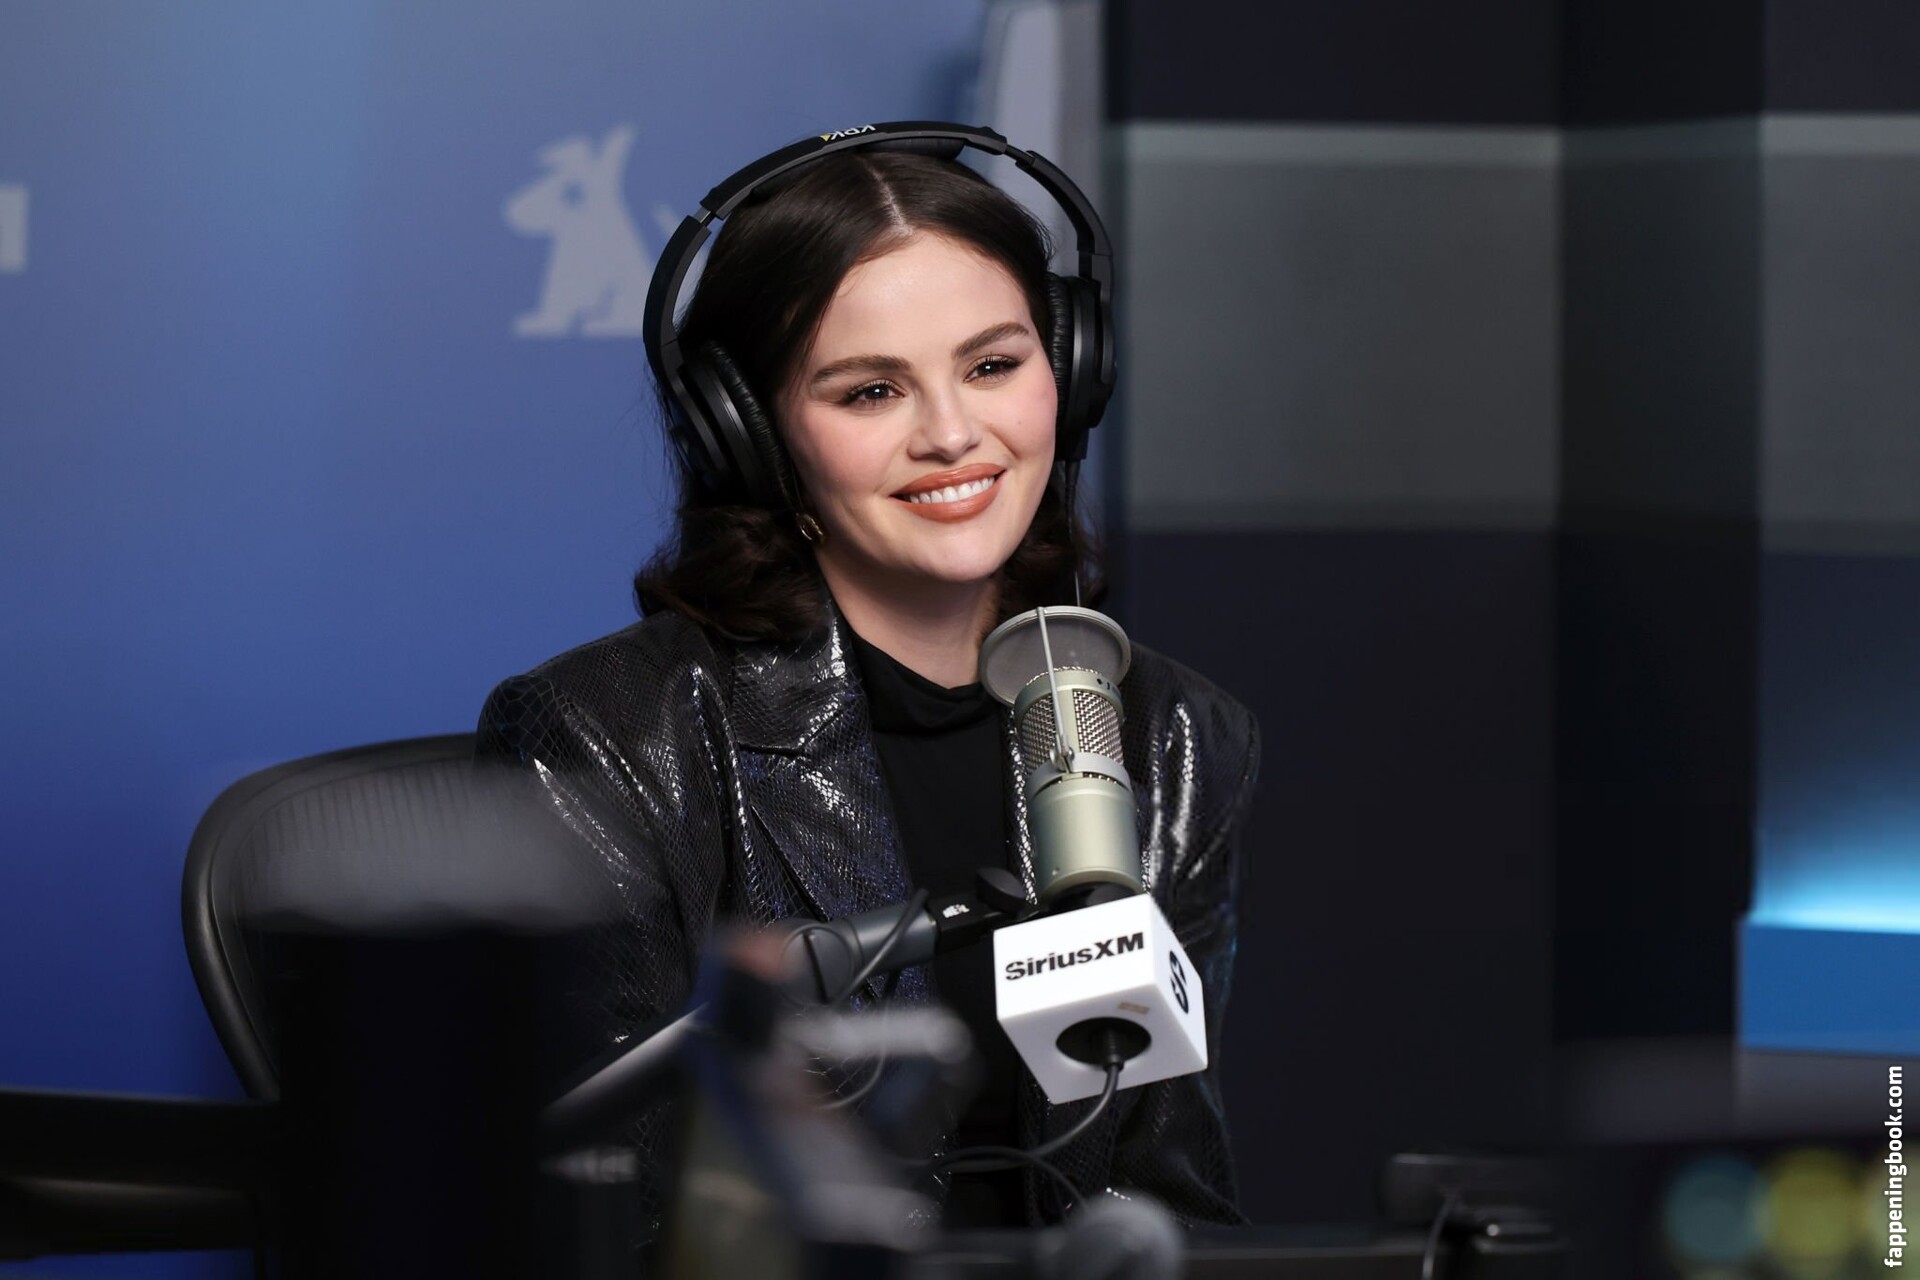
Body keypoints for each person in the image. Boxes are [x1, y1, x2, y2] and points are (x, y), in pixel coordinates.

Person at [476, 127, 1258, 1240]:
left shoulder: (1173, 735)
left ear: (1072, 372)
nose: (953, 434)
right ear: (753, 435)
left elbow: (1165, 1197)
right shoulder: (608, 737)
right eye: (872, 390)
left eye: (993, 366)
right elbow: (604, 1224)